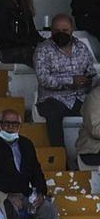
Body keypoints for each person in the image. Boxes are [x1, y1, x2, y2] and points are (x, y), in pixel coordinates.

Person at [32, 13, 97, 153]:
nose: (61, 34)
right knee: (53, 114)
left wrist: (87, 79)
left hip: (79, 97)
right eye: (57, 31)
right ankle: (60, 156)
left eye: (65, 31)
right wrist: (71, 81)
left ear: (72, 30)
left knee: (95, 111)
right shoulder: (43, 49)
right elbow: (44, 79)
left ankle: (89, 153)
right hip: (53, 98)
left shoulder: (81, 48)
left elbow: (91, 71)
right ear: (51, 31)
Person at [0, 105, 49, 210]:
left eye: (15, 124)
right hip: (2, 196)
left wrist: (40, 193)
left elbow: (36, 171)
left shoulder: (26, 144)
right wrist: (7, 196)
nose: (11, 128)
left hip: (25, 194)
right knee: (10, 209)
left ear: (20, 126)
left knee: (48, 208)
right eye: (7, 124)